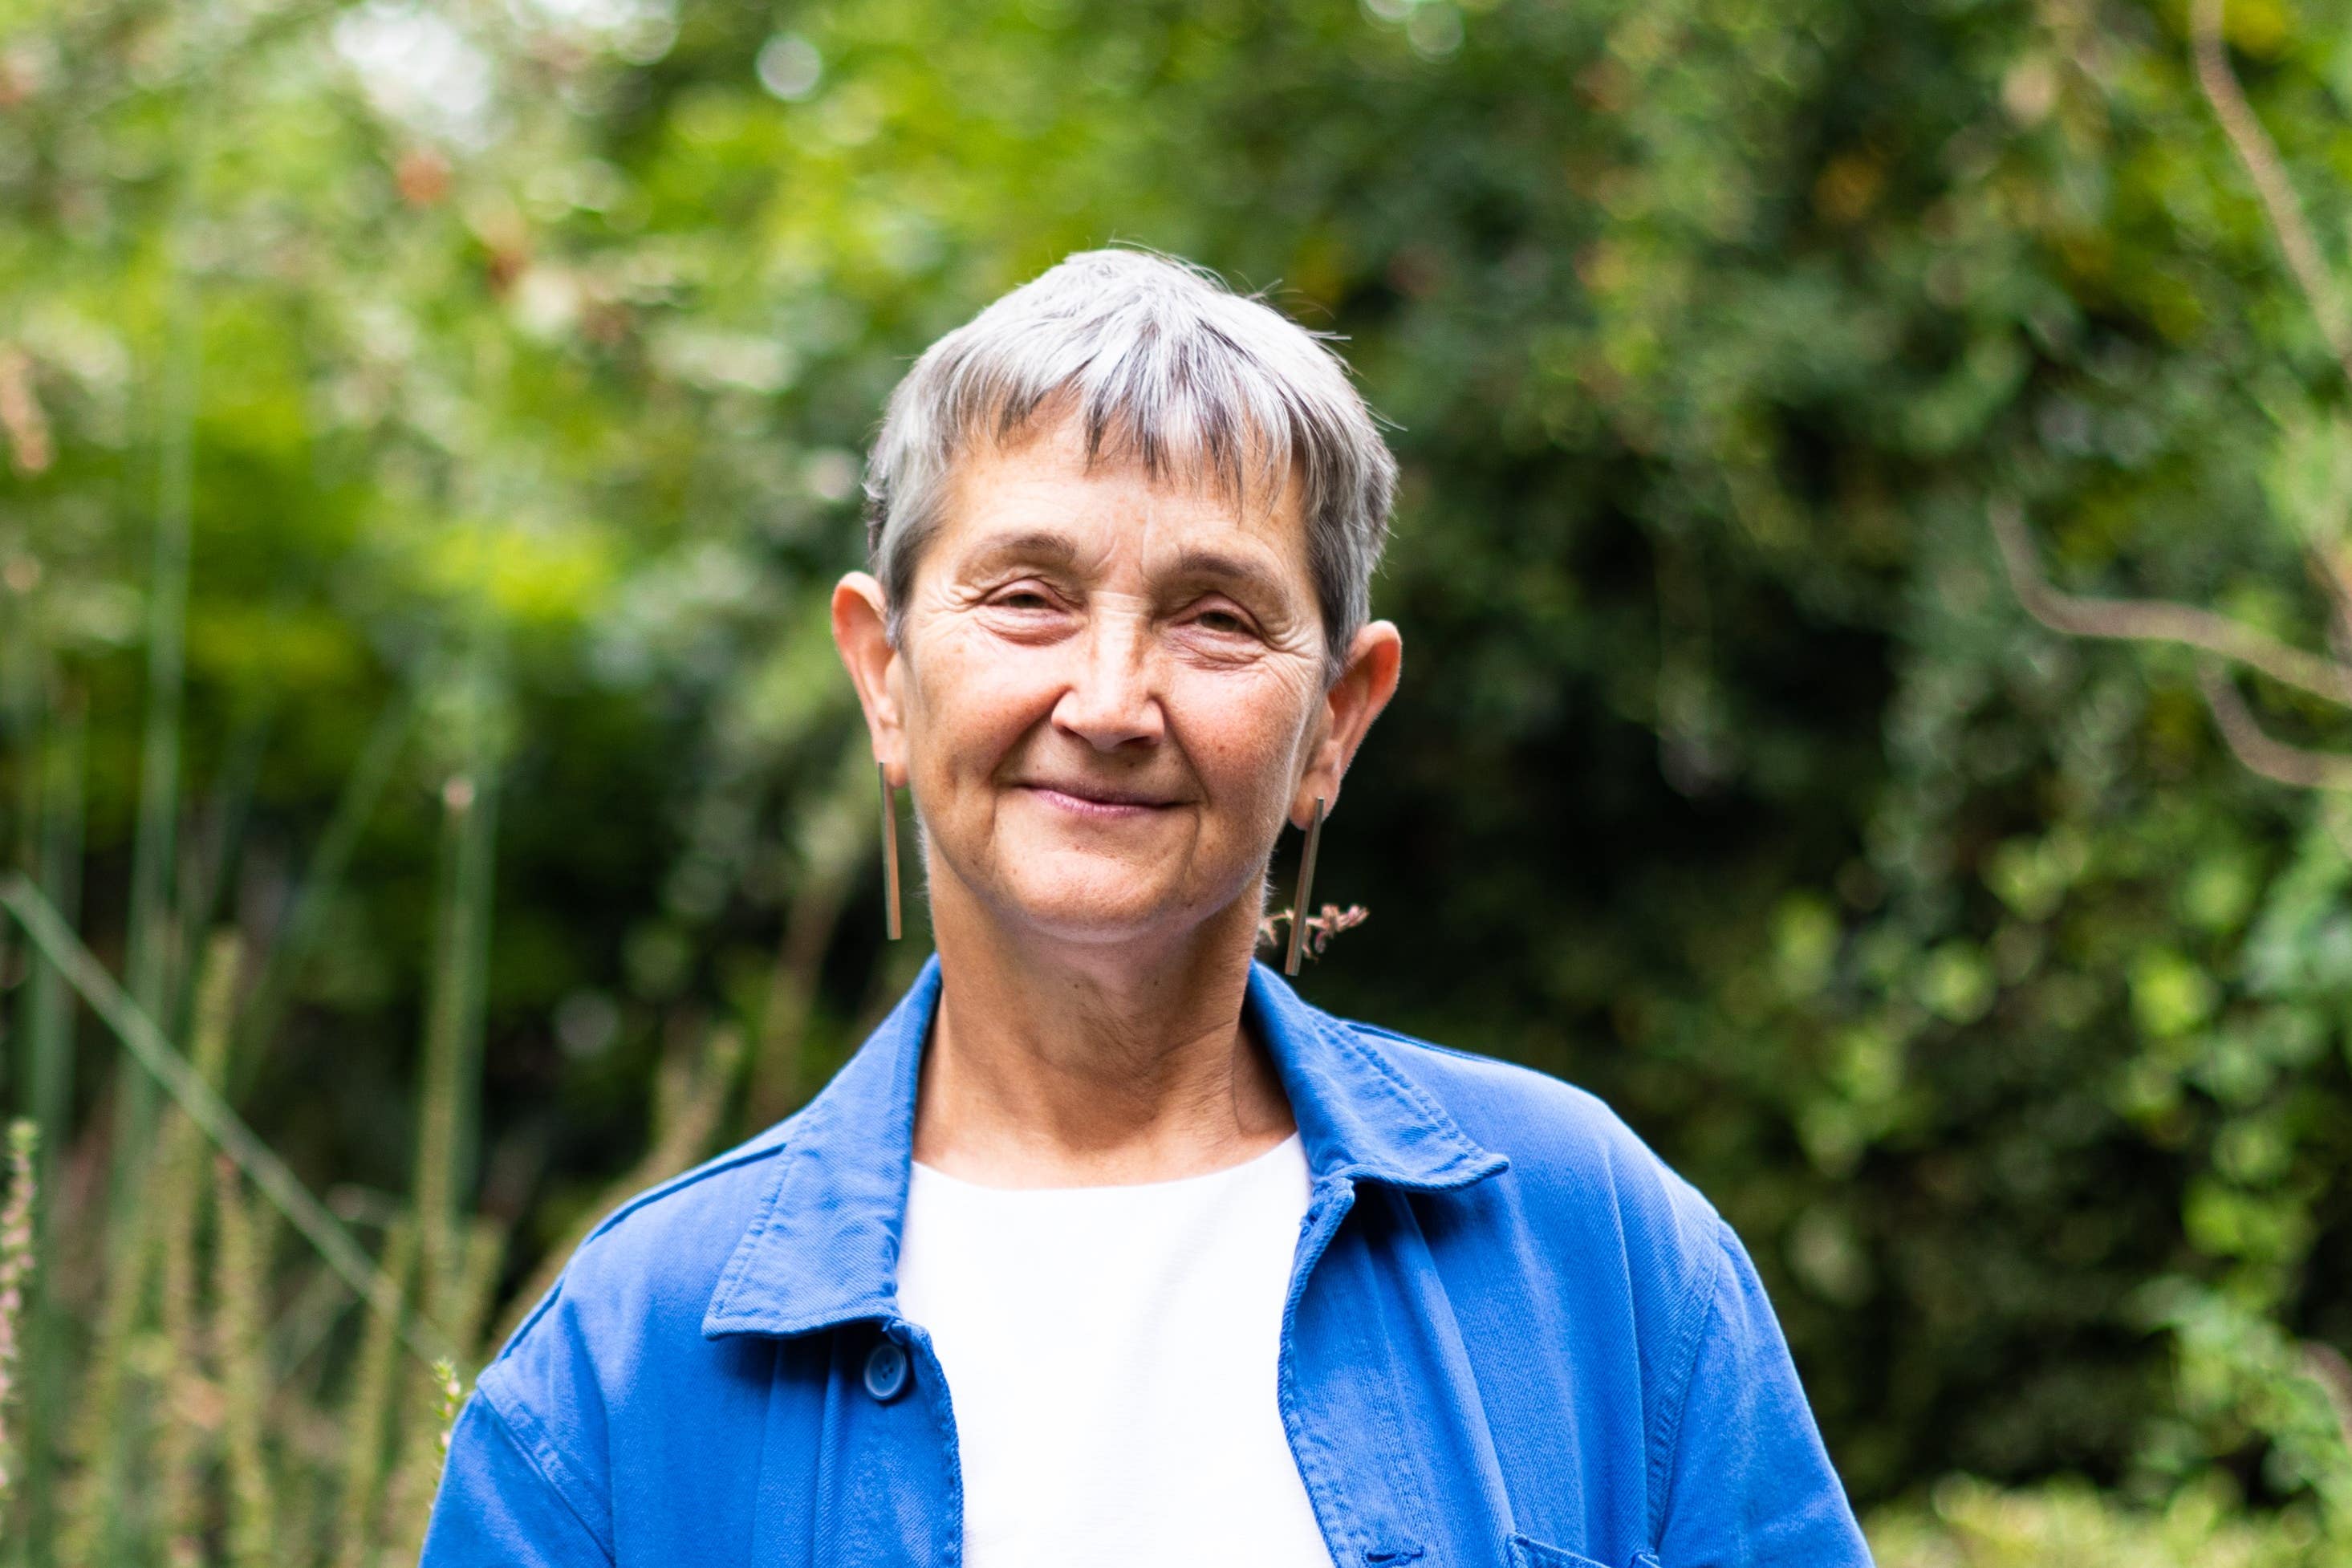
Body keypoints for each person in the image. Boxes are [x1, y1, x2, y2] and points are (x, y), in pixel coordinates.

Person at [420, 248, 1874, 1568]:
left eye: (1216, 617)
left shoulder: (1589, 1251)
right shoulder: (625, 1370)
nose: (1111, 703)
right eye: (1028, 598)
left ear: (1335, 724)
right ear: (883, 673)